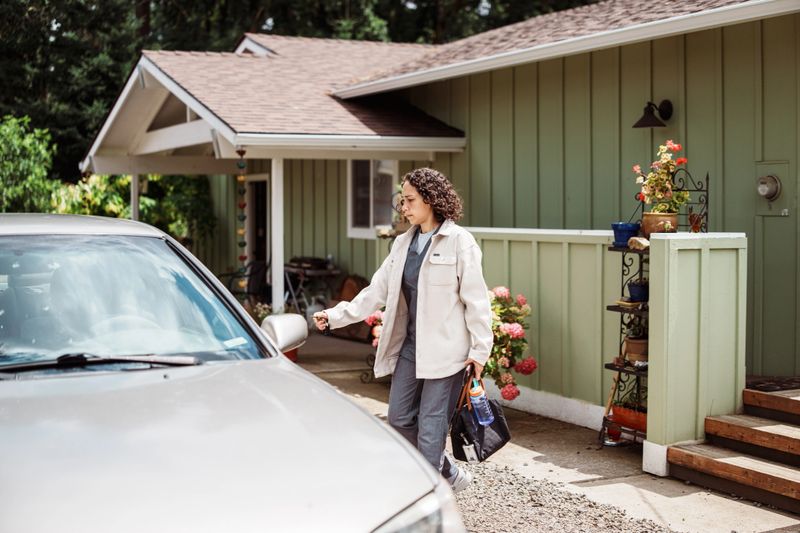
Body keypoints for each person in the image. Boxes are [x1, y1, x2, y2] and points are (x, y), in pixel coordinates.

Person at [313, 167, 492, 493]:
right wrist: (337, 315)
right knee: (398, 418)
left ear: (430, 200)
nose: (403, 207)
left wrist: (480, 352)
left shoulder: (459, 243)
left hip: (447, 353)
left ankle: (429, 500)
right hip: (410, 347)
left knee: (430, 429)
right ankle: (447, 472)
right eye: (402, 201)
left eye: (409, 200)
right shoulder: (402, 244)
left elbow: (477, 302)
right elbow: (375, 291)